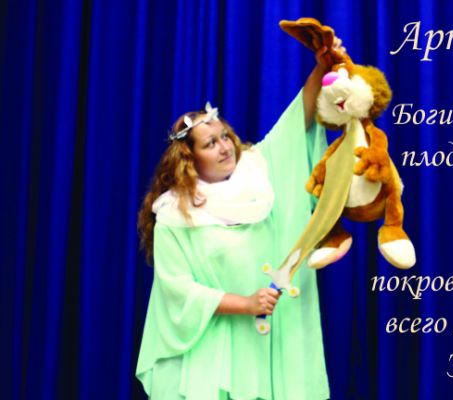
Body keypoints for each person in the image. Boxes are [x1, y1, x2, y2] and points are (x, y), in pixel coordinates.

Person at [136, 39, 345, 400]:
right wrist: (245, 304)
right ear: (189, 159)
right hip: (209, 351)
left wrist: (322, 67)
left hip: (264, 346)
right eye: (210, 144)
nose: (224, 147)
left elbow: (296, 121)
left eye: (224, 137)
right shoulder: (173, 215)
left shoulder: (259, 170)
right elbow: (178, 289)